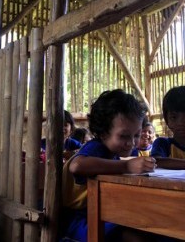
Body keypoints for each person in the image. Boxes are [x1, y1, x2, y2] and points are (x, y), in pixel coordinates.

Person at [61, 89, 157, 241]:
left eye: (136, 135)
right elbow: (77, 165)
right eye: (124, 136)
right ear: (104, 132)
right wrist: (127, 166)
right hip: (74, 220)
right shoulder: (96, 147)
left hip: (96, 212)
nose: (131, 143)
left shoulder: (112, 153)